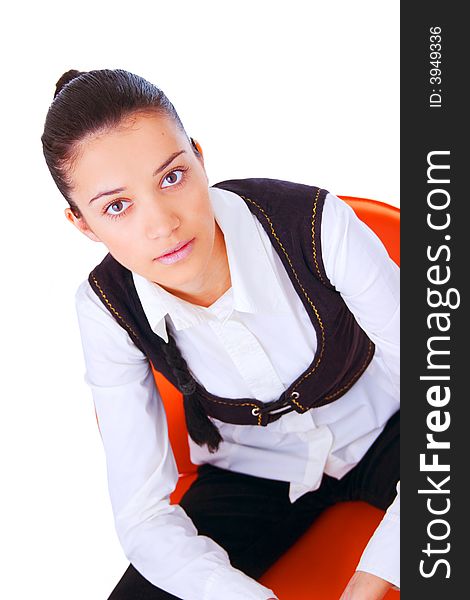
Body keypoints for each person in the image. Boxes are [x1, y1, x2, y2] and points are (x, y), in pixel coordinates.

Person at [41, 68, 400, 600]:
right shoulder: (104, 308)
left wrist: (372, 582)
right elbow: (142, 517)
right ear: (84, 226)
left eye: (171, 177)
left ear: (199, 159)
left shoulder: (317, 226)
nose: (161, 224)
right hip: (250, 474)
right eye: (117, 206)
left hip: (390, 432)